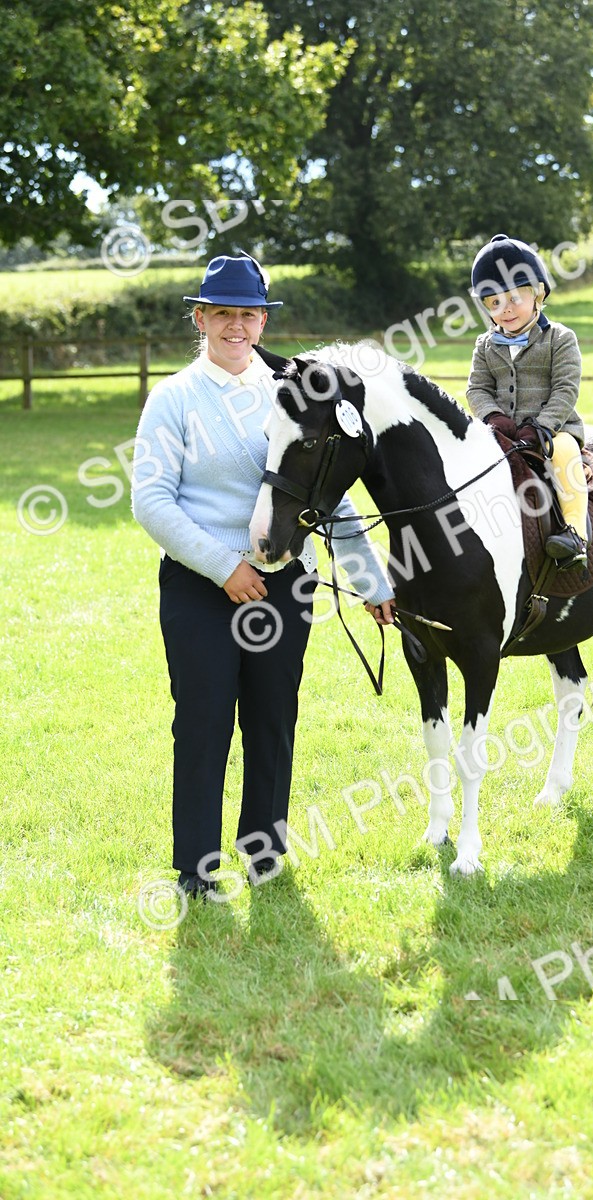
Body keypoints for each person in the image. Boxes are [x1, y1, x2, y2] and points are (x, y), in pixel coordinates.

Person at [131, 253, 394, 898]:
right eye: (223, 314)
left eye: (248, 314)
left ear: (263, 322)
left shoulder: (292, 398)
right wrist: (225, 568)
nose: (237, 326)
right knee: (203, 720)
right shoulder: (172, 400)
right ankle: (196, 866)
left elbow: (326, 494)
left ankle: (264, 851)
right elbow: (152, 502)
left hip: (285, 586)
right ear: (201, 318)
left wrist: (371, 580)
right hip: (200, 586)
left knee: (273, 717)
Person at [466, 233, 589, 569]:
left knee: (563, 453)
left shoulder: (560, 339)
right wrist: (492, 415)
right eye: (493, 303)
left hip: (552, 431)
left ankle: (575, 534)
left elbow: (565, 389)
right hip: (500, 431)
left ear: (538, 294)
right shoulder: (485, 345)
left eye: (514, 299)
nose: (504, 310)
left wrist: (542, 427)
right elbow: (476, 388)